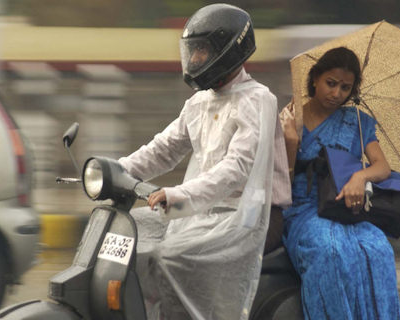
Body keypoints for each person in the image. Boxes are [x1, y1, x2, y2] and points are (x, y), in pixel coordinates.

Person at [117, 3, 291, 319]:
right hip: (203, 210)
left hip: (253, 215)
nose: (195, 60)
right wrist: (115, 170)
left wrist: (180, 195)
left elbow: (236, 169)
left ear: (228, 51)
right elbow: (164, 149)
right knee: (129, 231)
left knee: (171, 256)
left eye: (202, 51)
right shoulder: (200, 101)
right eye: (193, 51)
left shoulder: (258, 100)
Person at [280, 47, 400, 319]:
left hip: (346, 209)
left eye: (345, 88)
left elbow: (382, 167)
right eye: (331, 83)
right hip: (303, 209)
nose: (336, 94)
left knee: (379, 249)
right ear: (315, 79)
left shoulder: (357, 122)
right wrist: (290, 143)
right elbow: (280, 183)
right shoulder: (290, 118)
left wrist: (360, 177)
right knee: (330, 250)